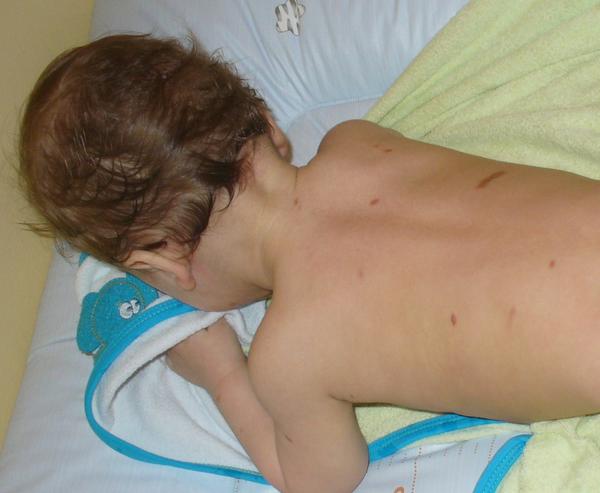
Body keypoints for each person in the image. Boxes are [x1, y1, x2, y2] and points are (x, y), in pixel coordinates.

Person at [19, 34, 600, 493]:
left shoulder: (289, 355)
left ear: (164, 260)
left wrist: (224, 374)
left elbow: (319, 480)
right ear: (269, 124)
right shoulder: (356, 140)